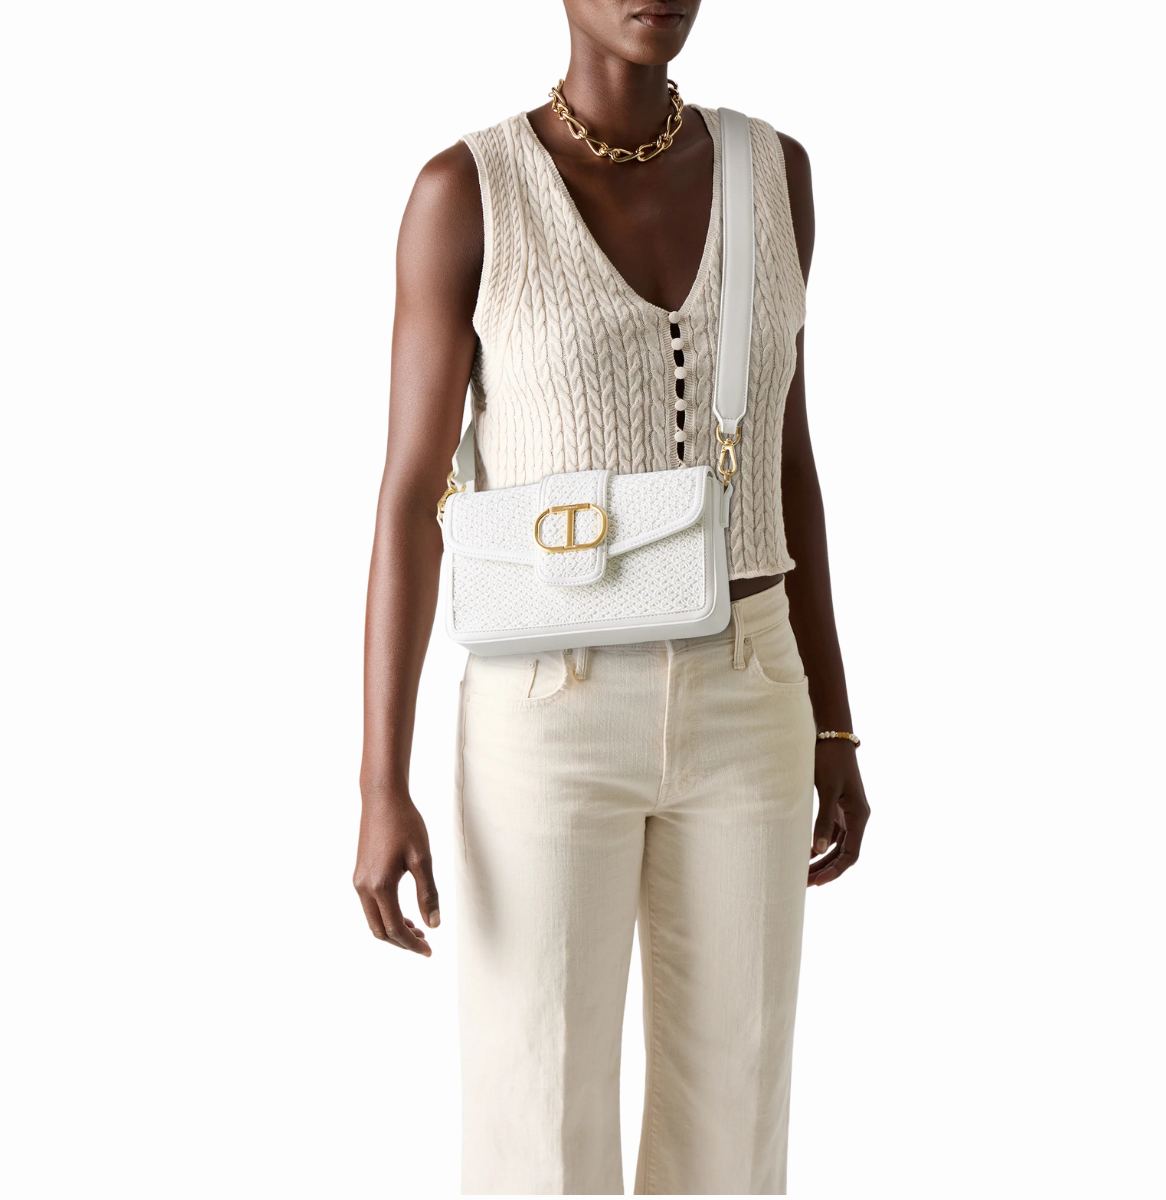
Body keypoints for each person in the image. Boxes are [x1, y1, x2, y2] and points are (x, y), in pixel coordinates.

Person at [354, 1, 870, 1192]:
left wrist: (835, 721)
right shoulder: (466, 191)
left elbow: (786, 459)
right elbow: (408, 498)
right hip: (547, 708)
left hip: (751, 689)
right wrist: (380, 784)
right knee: (538, 1122)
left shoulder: (774, 174)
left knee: (735, 1120)